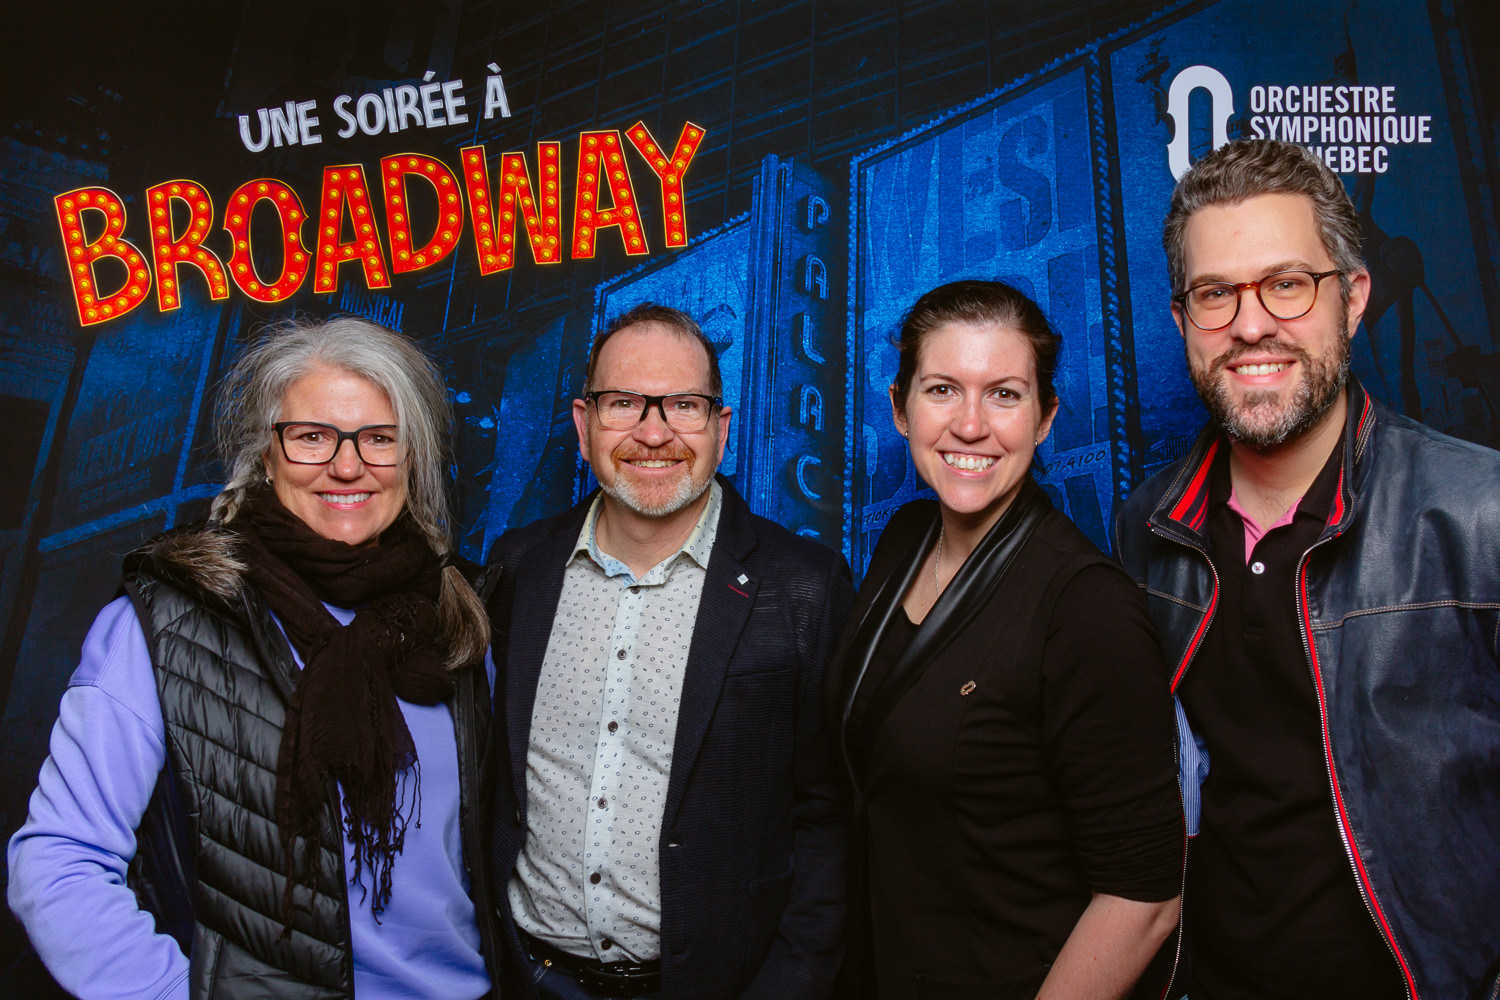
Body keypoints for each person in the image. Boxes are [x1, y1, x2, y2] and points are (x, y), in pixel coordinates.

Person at [8, 317, 500, 999]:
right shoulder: (166, 624)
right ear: (265, 456)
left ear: (411, 458)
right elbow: (59, 861)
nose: (347, 466)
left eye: (379, 438)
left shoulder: (460, 616)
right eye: (311, 437)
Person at [1113, 137, 1500, 1000]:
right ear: (1181, 320)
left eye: (1287, 283)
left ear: (1353, 298)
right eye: (1216, 293)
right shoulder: (1147, 525)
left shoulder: (1481, 516)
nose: (1251, 324)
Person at [482, 303, 852, 1000]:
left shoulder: (805, 588)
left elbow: (829, 817)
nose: (653, 434)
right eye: (624, 403)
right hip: (527, 976)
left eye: (683, 405)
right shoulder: (520, 567)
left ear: (721, 429)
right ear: (584, 425)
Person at [826, 280, 1183, 1000]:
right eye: (942, 390)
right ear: (899, 409)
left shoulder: (1086, 608)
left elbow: (1144, 899)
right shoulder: (902, 541)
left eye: (1004, 395)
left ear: (1045, 417)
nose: (970, 425)